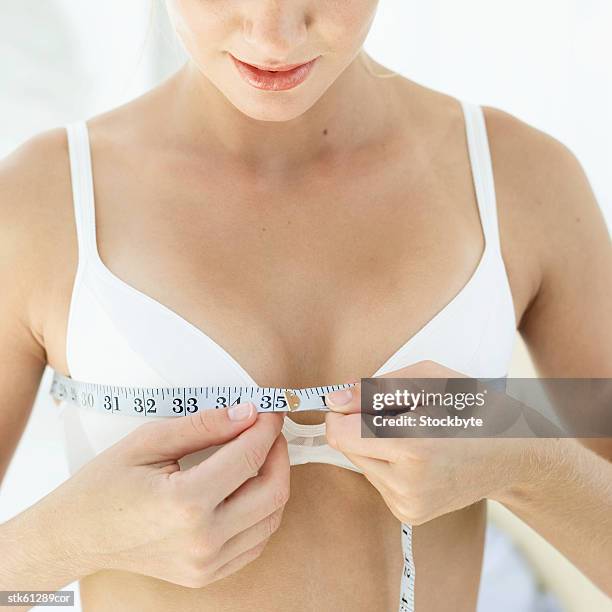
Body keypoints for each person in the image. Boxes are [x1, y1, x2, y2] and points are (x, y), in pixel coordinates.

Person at [0, 1, 610, 611]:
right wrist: (73, 539)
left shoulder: (521, 183)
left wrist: (524, 458)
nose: (273, 36)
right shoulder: (42, 204)